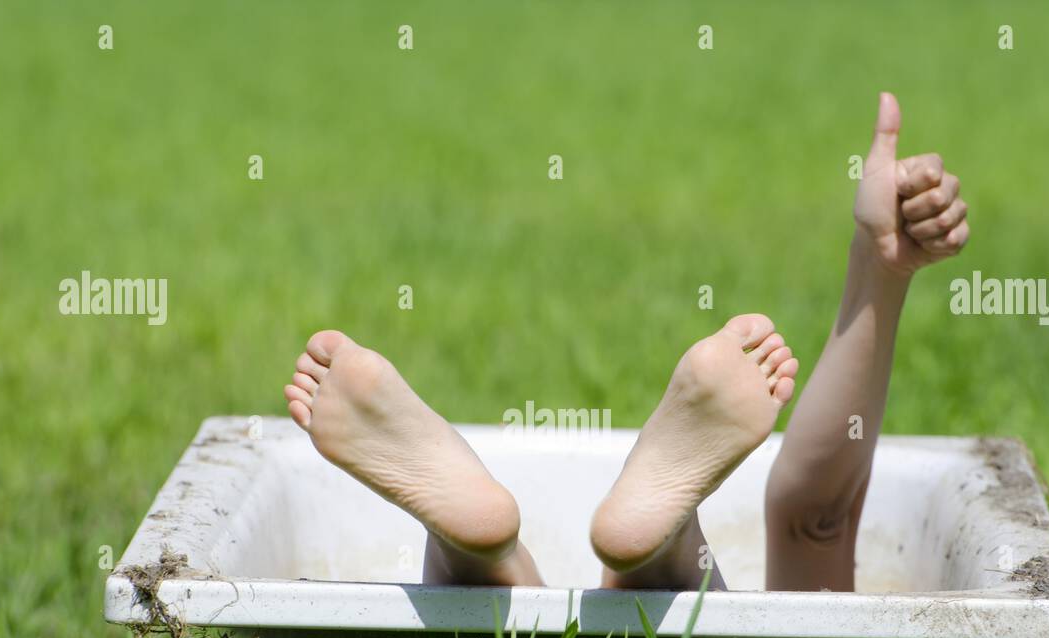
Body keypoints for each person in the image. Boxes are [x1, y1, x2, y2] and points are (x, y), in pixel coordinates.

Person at [282, 94, 968, 594]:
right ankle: (663, 547)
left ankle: (471, 552)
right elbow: (812, 510)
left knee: (497, 592)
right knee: (816, 530)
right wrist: (882, 271)